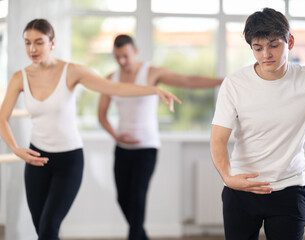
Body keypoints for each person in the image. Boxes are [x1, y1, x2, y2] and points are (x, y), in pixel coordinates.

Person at [0, 19, 180, 240]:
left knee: (48, 227)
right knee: (42, 230)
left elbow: (114, 87)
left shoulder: (72, 71)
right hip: (36, 159)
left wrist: (153, 89)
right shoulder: (20, 77)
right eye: (27, 43)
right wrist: (15, 148)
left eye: (39, 42)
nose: (32, 49)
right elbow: (2, 118)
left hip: (68, 161)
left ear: (52, 42)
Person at [210, 8, 305, 240]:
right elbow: (218, 139)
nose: (266, 54)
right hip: (241, 189)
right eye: (258, 48)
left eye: (274, 45)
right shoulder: (234, 84)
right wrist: (228, 177)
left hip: (289, 190)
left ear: (289, 41)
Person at [97, 34, 222, 240]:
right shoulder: (112, 79)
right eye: (117, 57)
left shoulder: (151, 73)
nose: (122, 62)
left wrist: (219, 81)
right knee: (122, 199)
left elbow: (187, 80)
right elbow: (101, 115)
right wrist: (117, 136)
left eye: (125, 56)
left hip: (147, 148)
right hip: (122, 148)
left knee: (137, 199)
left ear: (135, 51)